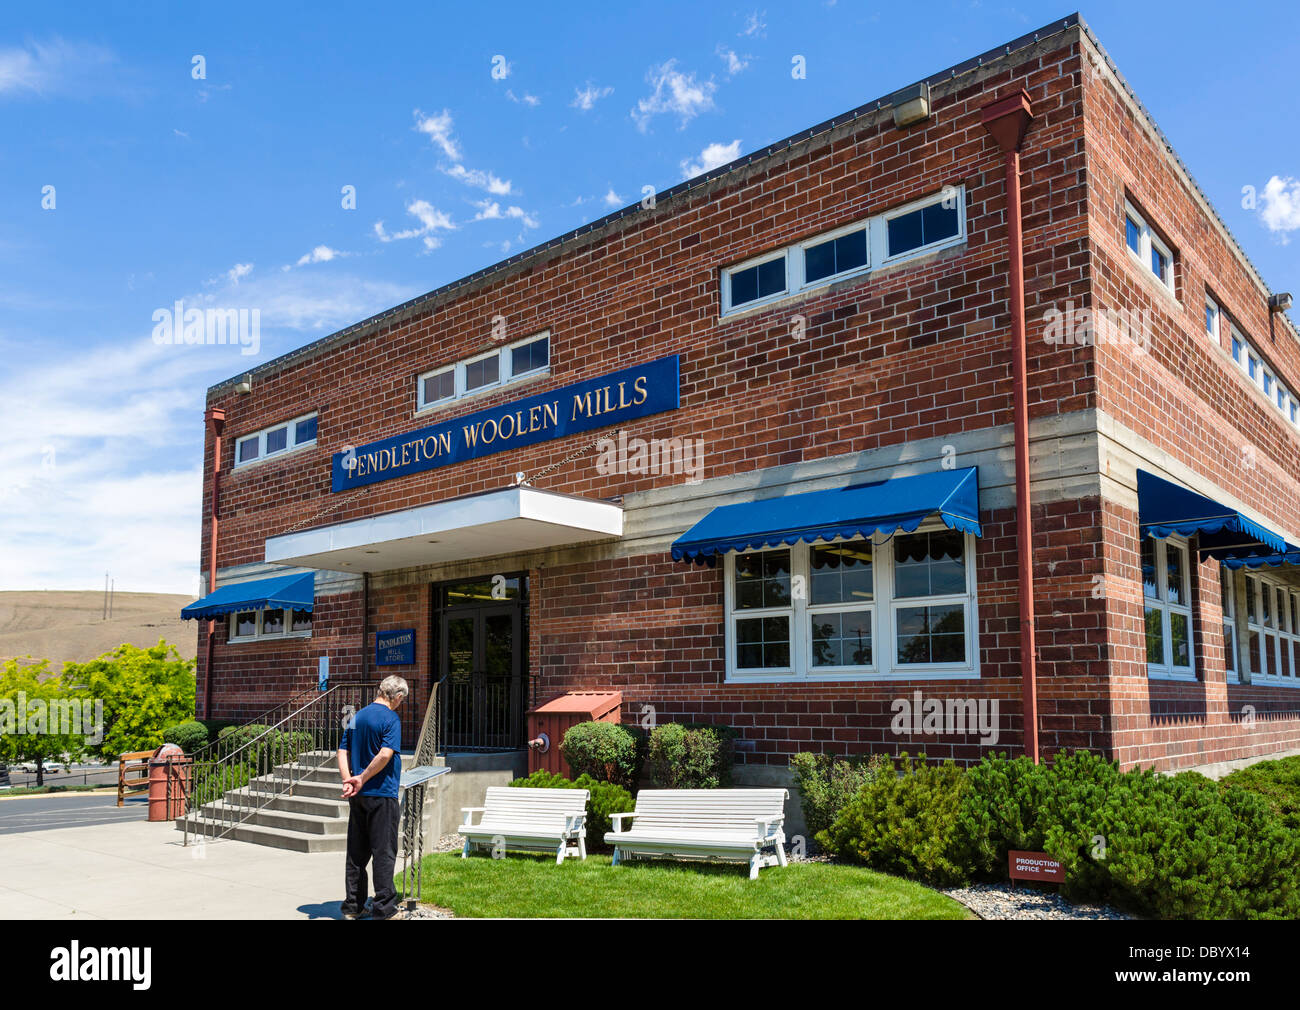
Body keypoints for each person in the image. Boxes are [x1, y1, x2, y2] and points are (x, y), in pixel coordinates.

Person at [337, 675, 408, 920]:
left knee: (356, 852)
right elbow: (386, 754)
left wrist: (350, 780)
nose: (400, 704)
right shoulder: (391, 718)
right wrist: (362, 778)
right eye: (402, 700)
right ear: (397, 697)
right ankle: (386, 909)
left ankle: (353, 907)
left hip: (358, 796)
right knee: (384, 852)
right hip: (382, 793)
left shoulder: (356, 715)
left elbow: (342, 750)